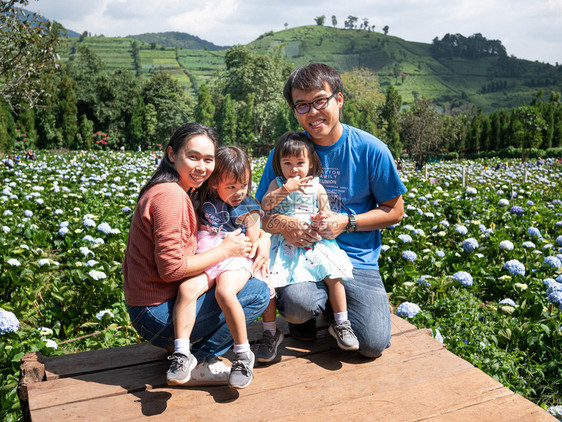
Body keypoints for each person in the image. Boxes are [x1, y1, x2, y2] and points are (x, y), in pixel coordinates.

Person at [256, 63, 407, 359]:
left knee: (373, 344)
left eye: (320, 101)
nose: (312, 112)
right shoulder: (286, 153)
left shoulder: (370, 149)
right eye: (302, 105)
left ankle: (333, 310)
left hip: (357, 258)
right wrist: (285, 224)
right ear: (295, 110)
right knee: (298, 308)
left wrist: (345, 222)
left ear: (339, 100)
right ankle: (312, 312)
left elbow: (394, 212)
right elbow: (260, 211)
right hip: (299, 253)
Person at [123, 123, 270, 387]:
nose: (201, 166)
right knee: (258, 292)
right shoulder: (171, 196)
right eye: (193, 157)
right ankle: (200, 359)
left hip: (149, 306)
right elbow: (171, 270)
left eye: (208, 159)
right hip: (154, 314)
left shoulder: (182, 189)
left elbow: (250, 221)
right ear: (171, 154)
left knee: (223, 286)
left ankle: (184, 351)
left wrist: (265, 238)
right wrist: (224, 250)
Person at [255, 131, 358, 363]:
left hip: (314, 241)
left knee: (334, 275)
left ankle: (342, 323)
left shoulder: (317, 187)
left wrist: (322, 218)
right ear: (278, 165)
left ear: (311, 163)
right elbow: (266, 205)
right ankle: (270, 332)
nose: (294, 169)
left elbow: (326, 212)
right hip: (283, 243)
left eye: (300, 163)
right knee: (269, 281)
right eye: (287, 163)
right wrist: (287, 189)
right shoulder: (277, 183)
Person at [183, 145, 269, 389]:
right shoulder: (201, 199)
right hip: (209, 258)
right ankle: (181, 352)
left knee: (224, 292)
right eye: (231, 187)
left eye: (244, 185)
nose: (239, 192)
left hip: (234, 261)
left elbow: (253, 242)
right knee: (186, 291)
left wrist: (263, 238)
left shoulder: (248, 207)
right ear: (214, 184)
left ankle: (242, 353)